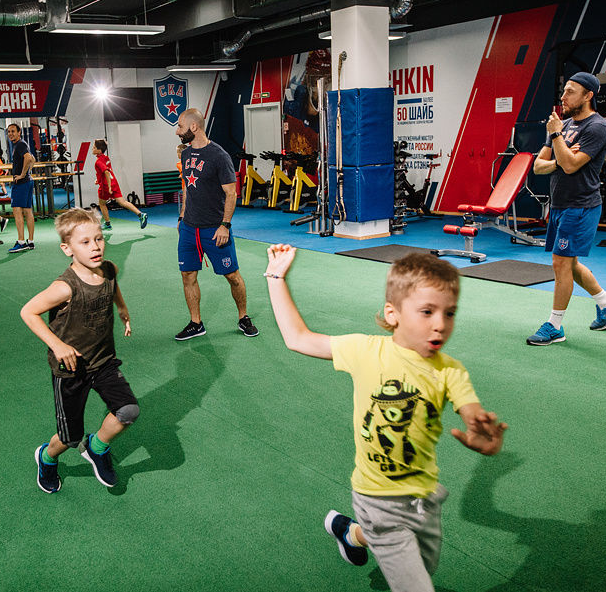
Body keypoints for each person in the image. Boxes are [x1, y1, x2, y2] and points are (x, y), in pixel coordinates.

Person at [265, 248, 507, 591]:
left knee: (425, 568)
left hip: (425, 499)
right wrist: (276, 277)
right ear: (392, 314)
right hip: (376, 497)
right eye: (426, 312)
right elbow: (298, 338)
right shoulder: (365, 351)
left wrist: (480, 431)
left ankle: (351, 534)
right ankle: (364, 529)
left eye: (449, 313)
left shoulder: (451, 370)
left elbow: (469, 410)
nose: (440, 324)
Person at [19, 208, 139, 492]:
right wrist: (58, 345)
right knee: (68, 438)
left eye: (98, 238)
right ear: (67, 248)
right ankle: (46, 458)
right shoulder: (64, 287)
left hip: (104, 362)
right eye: (85, 242)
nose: (95, 246)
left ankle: (96, 447)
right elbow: (28, 312)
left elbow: (113, 284)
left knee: (128, 410)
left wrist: (121, 307)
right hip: (71, 370)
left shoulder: (109, 269)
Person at [528, 72, 606, 345]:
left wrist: (558, 138)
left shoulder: (597, 127)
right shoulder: (564, 125)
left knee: (561, 262)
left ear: (588, 95)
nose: (563, 97)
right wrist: (561, 153)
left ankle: (555, 326)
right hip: (559, 204)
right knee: (568, 262)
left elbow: (572, 165)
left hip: (581, 205)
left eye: (570, 91)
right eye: (563, 91)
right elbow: (539, 166)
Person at [173, 108, 258, 340]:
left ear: (193, 127)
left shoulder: (219, 156)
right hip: (190, 228)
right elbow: (186, 188)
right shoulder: (185, 154)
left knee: (232, 276)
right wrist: (182, 217)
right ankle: (196, 323)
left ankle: (243, 317)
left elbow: (231, 193)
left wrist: (225, 225)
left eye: (180, 126)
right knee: (187, 275)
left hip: (215, 229)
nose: (177, 131)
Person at [91, 139, 148, 231]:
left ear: (99, 150)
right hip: (114, 183)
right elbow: (106, 172)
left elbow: (106, 172)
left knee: (102, 204)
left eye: (94, 148)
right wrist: (98, 180)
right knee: (122, 202)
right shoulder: (106, 158)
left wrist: (108, 187)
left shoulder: (98, 162)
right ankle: (141, 214)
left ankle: (108, 224)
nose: (92, 149)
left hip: (106, 186)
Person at [6, 123, 36, 253]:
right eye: (9, 132)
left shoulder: (20, 144)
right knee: (28, 211)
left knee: (17, 211)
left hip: (22, 183)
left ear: (19, 132)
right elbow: (32, 159)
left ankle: (21, 242)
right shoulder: (21, 144)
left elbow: (29, 158)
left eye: (13, 131)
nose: (11, 134)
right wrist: (28, 172)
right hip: (28, 181)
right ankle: (30, 241)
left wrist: (23, 174)